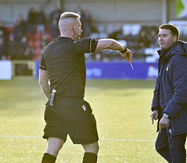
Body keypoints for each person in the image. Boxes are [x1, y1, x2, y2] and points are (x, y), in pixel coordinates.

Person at [39, 12, 132, 163]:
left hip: (53, 105)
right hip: (73, 104)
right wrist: (124, 50)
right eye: (80, 27)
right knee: (92, 148)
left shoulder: (47, 50)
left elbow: (43, 82)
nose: (81, 31)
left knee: (52, 147)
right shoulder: (75, 46)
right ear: (73, 27)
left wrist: (55, 100)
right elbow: (109, 43)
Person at [150, 23, 187, 162]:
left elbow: (182, 93)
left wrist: (167, 114)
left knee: (176, 152)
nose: (160, 38)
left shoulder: (180, 59)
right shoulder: (166, 57)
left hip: (178, 113)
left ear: (174, 39)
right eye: (159, 35)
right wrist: (155, 107)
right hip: (170, 112)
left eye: (164, 35)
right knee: (161, 145)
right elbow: (159, 84)